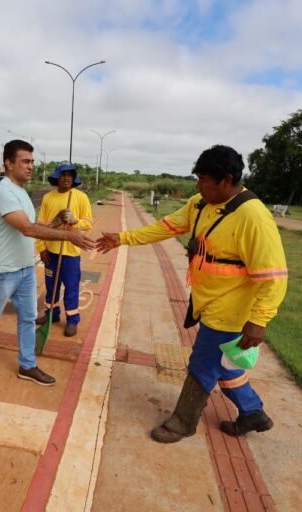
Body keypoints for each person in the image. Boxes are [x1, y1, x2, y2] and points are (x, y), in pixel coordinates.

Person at [96, 145, 288, 442]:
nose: (198, 186)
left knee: (202, 364)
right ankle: (253, 413)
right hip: (206, 300)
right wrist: (122, 238)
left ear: (226, 180)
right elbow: (166, 227)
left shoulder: (254, 217)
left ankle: (182, 423)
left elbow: (273, 277)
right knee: (224, 365)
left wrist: (259, 320)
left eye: (203, 180)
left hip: (230, 312)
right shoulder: (200, 204)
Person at [0, 140, 96, 386]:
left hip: (24, 268)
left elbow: (33, 224)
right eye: (25, 161)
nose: (31, 166)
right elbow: (27, 229)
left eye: (32, 161)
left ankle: (27, 364)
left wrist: (54, 224)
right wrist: (68, 234)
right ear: (9, 164)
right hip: (1, 270)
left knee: (28, 317)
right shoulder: (4, 192)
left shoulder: (21, 191)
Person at [35, 164, 93, 337]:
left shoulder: (81, 197)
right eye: (63, 175)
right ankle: (51, 315)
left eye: (70, 175)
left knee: (71, 288)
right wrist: (41, 247)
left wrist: (75, 221)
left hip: (71, 253)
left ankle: (72, 320)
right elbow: (41, 226)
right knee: (51, 286)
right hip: (51, 252)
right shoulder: (48, 198)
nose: (67, 178)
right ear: (57, 177)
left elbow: (88, 224)